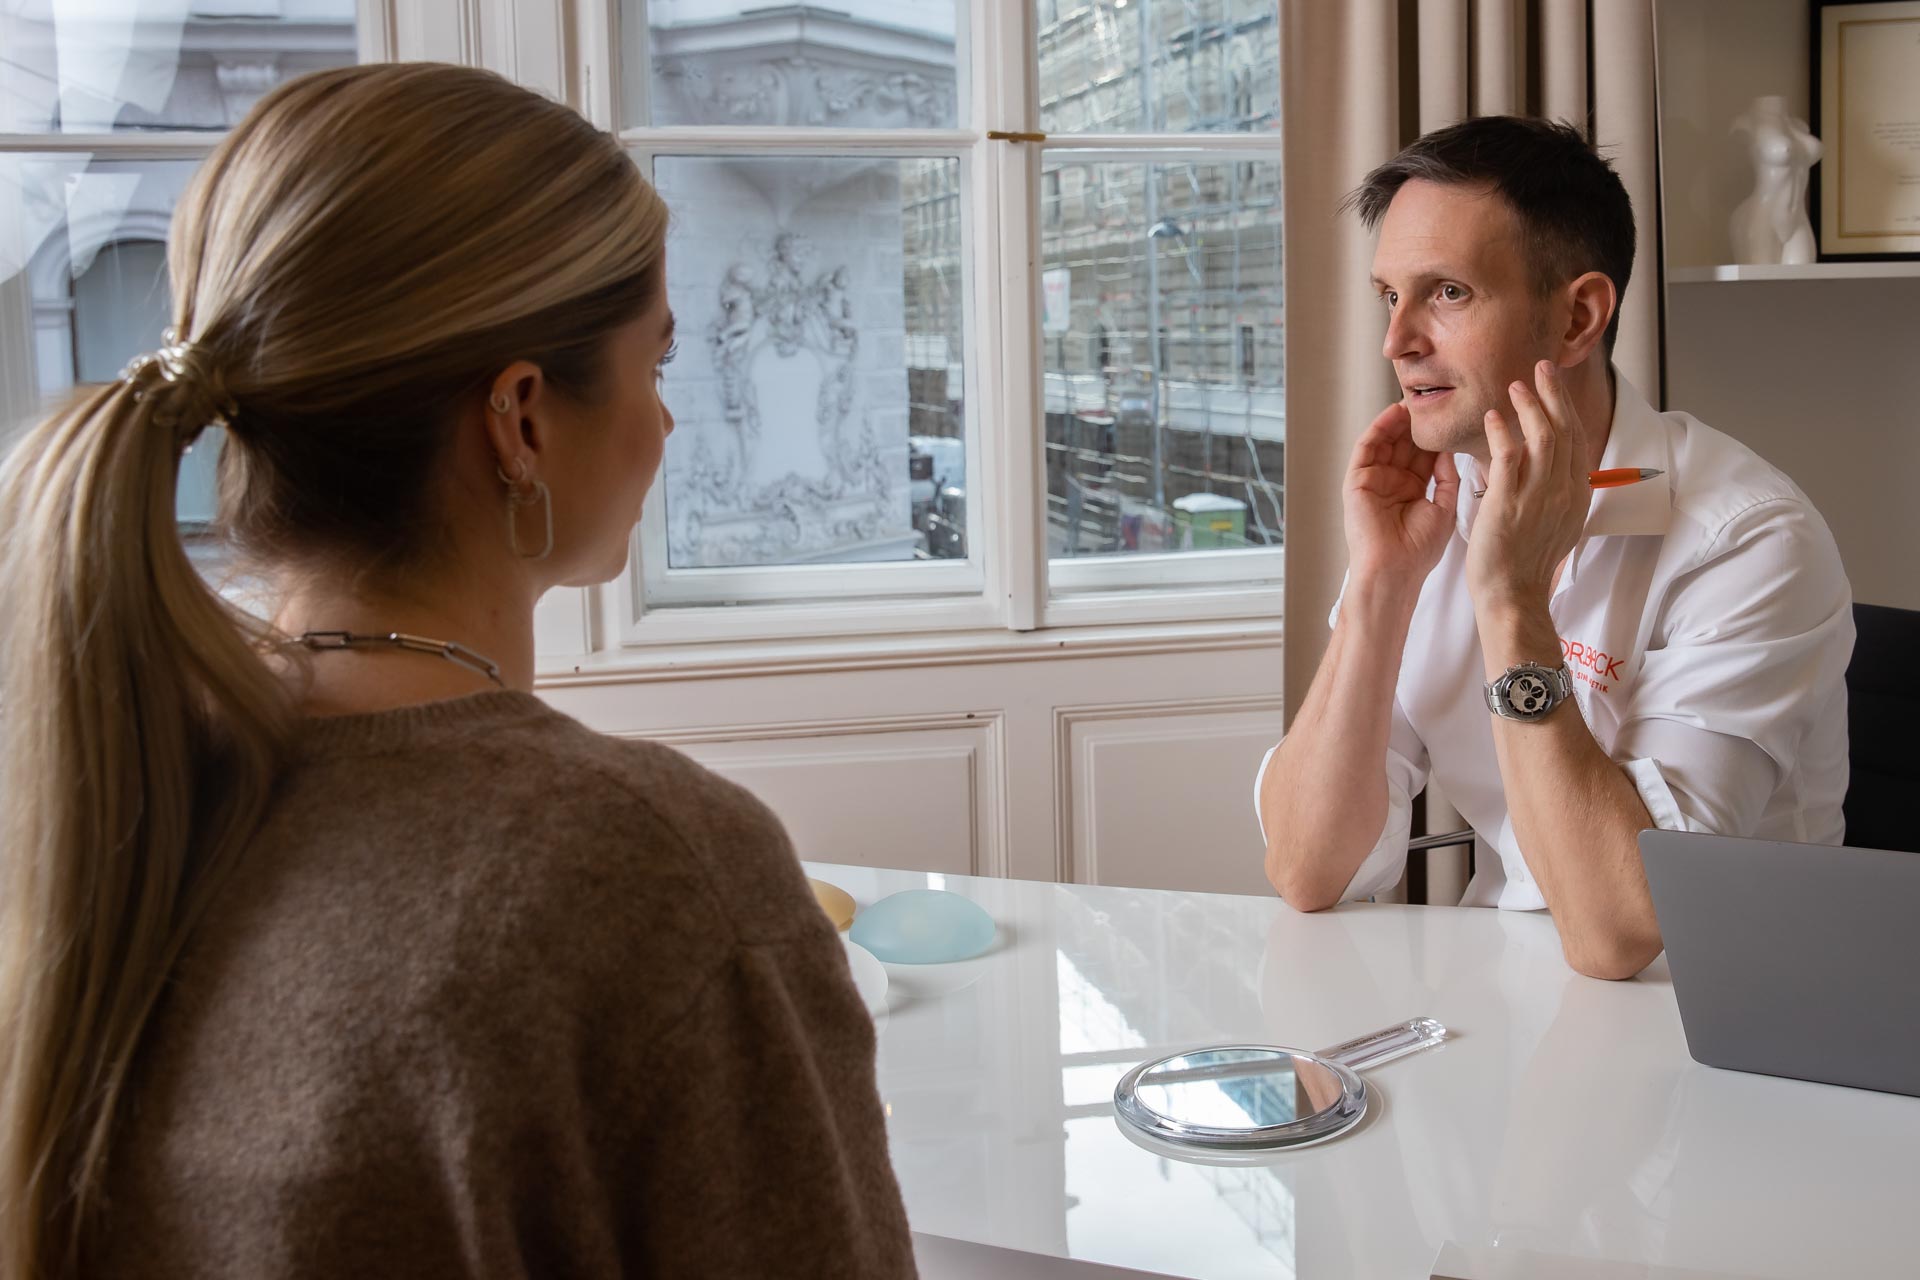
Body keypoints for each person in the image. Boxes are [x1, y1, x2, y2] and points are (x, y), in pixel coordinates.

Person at [0, 63, 914, 1278]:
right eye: (655, 365)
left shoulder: (98, 793)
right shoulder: (654, 873)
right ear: (522, 418)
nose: (667, 422)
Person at [1255, 116, 1852, 981]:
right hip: (1517, 999)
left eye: (1447, 292)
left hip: (1733, 1018)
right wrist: (1383, 587)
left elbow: (1623, 930)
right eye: (1391, 294)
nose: (1397, 341)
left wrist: (1511, 600)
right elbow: (1307, 867)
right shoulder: (1436, 506)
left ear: (1577, 317)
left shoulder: (1749, 538)